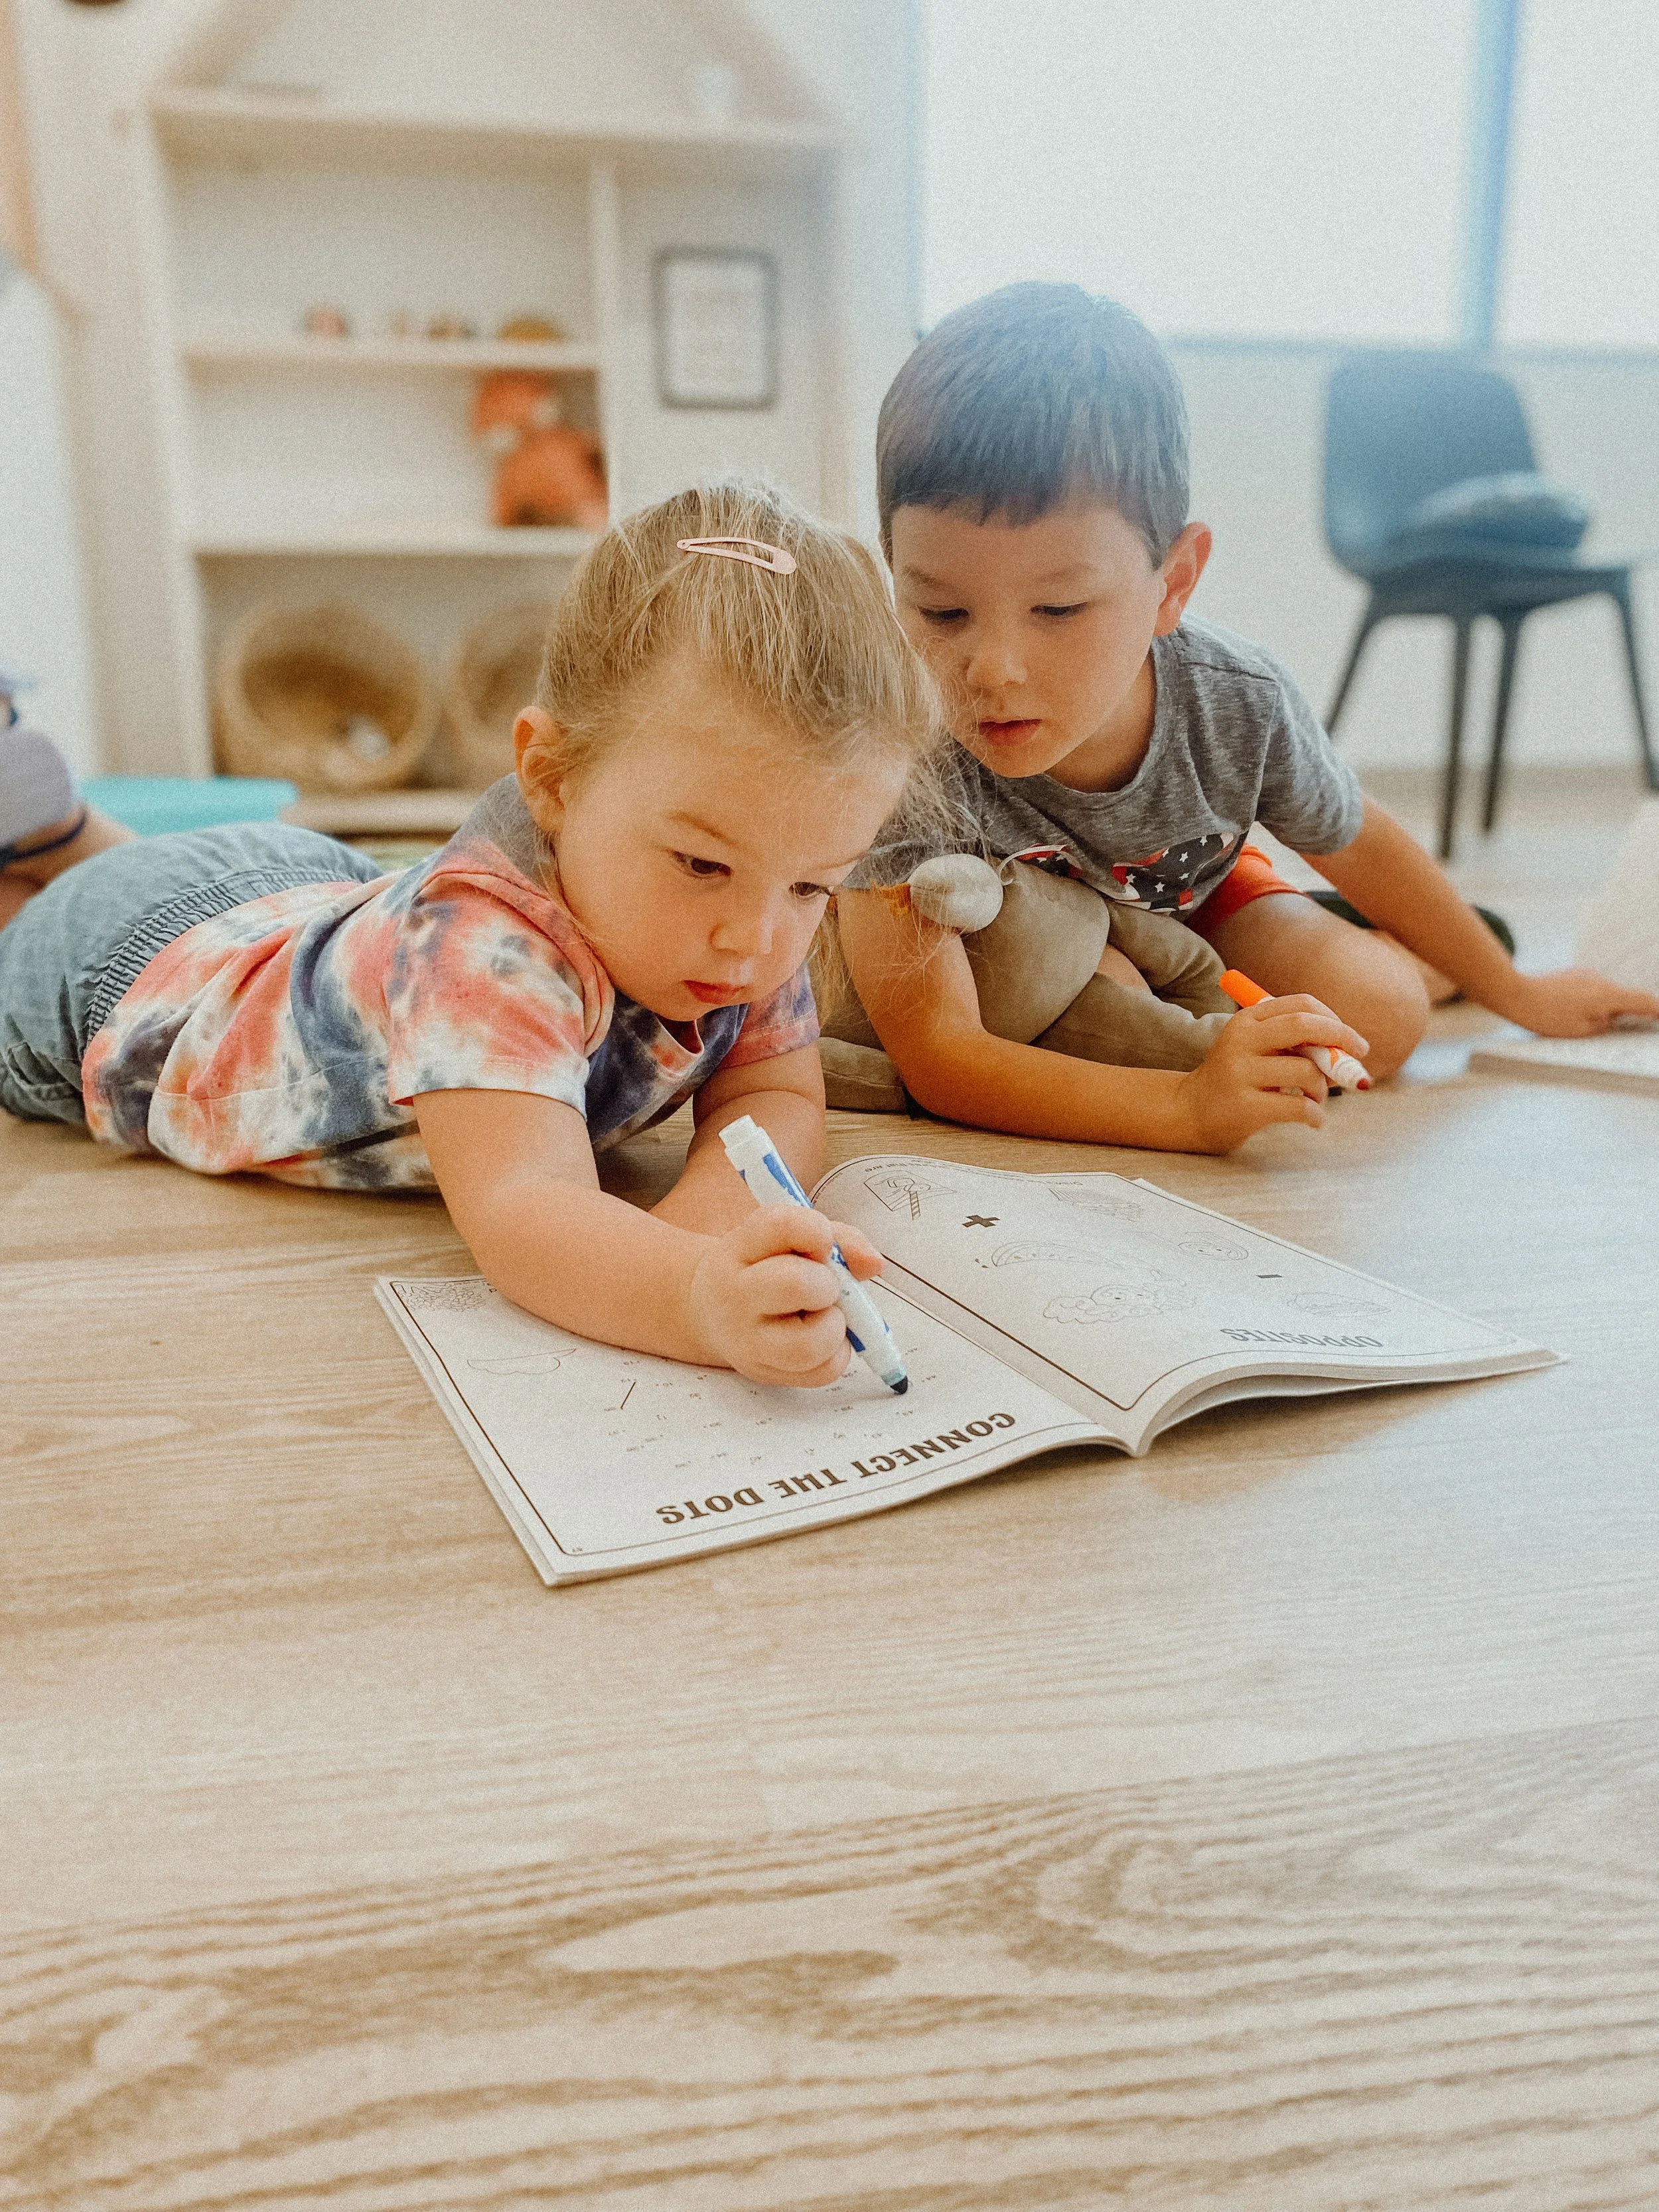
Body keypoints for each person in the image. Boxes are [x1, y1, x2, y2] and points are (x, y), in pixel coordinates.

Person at [0, 485, 940, 1388]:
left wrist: (707, 1223)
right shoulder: (480, 947)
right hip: (121, 983)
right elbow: (525, 1209)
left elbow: (774, 1090)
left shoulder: (750, 882)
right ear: (551, 779)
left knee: (321, 916)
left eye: (816, 884)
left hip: (303, 893)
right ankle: (53, 851)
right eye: (699, 864)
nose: (756, 941)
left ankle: (65, 831)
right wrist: (691, 1293)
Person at [836, 283, 1659, 1153]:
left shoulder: (1234, 698)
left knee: (1385, 1014)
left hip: (1197, 894)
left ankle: (1419, 960)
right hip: (1037, 948)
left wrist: (1518, 992)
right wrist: (1188, 1110)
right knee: (1111, 1028)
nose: (993, 671)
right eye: (941, 613)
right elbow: (940, 1055)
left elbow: (1360, 839)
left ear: (1174, 583)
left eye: (1061, 610)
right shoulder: (896, 744)